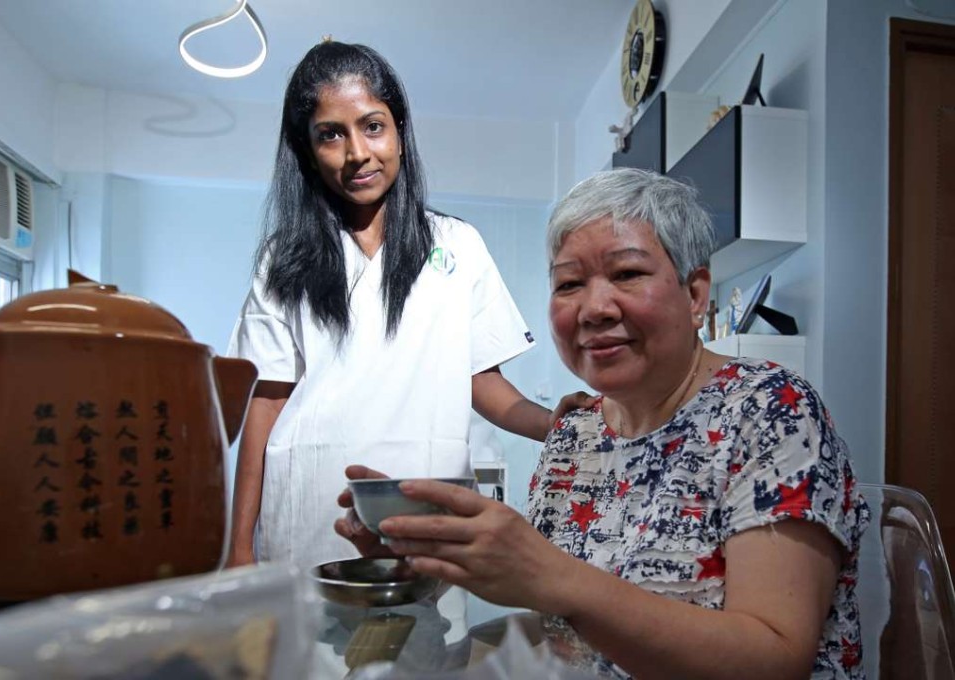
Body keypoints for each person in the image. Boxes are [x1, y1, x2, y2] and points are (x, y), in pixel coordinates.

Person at [336, 168, 870, 679]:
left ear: (695, 294)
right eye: (569, 284)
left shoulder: (769, 411)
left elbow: (775, 660)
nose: (593, 308)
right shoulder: (573, 435)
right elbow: (563, 629)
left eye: (628, 274)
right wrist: (434, 565)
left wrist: (557, 579)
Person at [225, 40, 588, 573]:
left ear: (399, 130)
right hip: (309, 515)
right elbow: (266, 403)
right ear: (306, 150)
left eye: (373, 126)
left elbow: (480, 380)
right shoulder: (286, 259)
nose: (357, 154)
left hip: (428, 518)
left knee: (428, 647)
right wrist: (239, 547)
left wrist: (551, 425)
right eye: (331, 135)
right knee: (311, 650)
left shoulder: (456, 246)